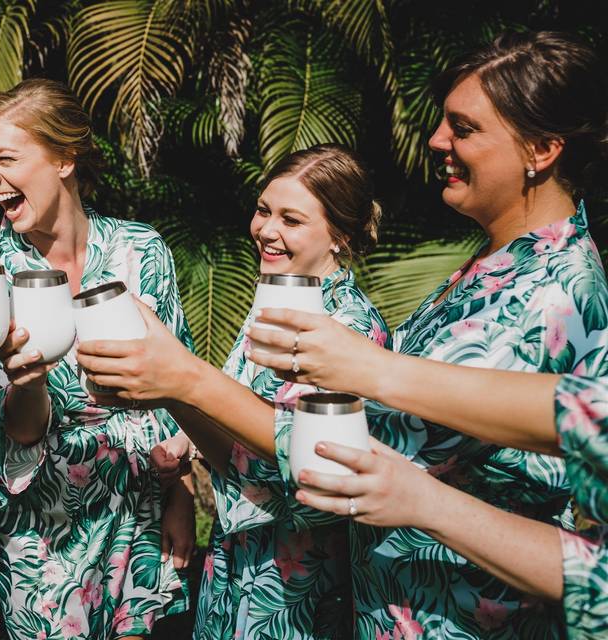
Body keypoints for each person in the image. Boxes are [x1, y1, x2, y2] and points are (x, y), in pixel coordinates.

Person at [243, 30, 608, 637]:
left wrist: (184, 382)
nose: (437, 139)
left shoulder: (555, 292)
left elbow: (385, 448)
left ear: (541, 150)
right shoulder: (498, 260)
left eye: (463, 128)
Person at [77, 143, 387, 639]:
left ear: (340, 236)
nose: (267, 230)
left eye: (291, 219)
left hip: (294, 586)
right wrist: (185, 442)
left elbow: (291, 469)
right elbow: (235, 414)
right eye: (264, 210)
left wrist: (175, 391)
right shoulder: (278, 299)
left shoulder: (348, 329)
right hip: (232, 566)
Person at [0, 78, 194, 640]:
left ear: (64, 158)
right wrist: (29, 385)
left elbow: (179, 391)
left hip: (140, 520)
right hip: (42, 542)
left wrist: (181, 494)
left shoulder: (142, 250)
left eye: (6, 158)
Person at [244, 309, 608, 637]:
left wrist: (194, 384)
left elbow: (596, 579)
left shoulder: (557, 293)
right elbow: (583, 412)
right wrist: (375, 369)